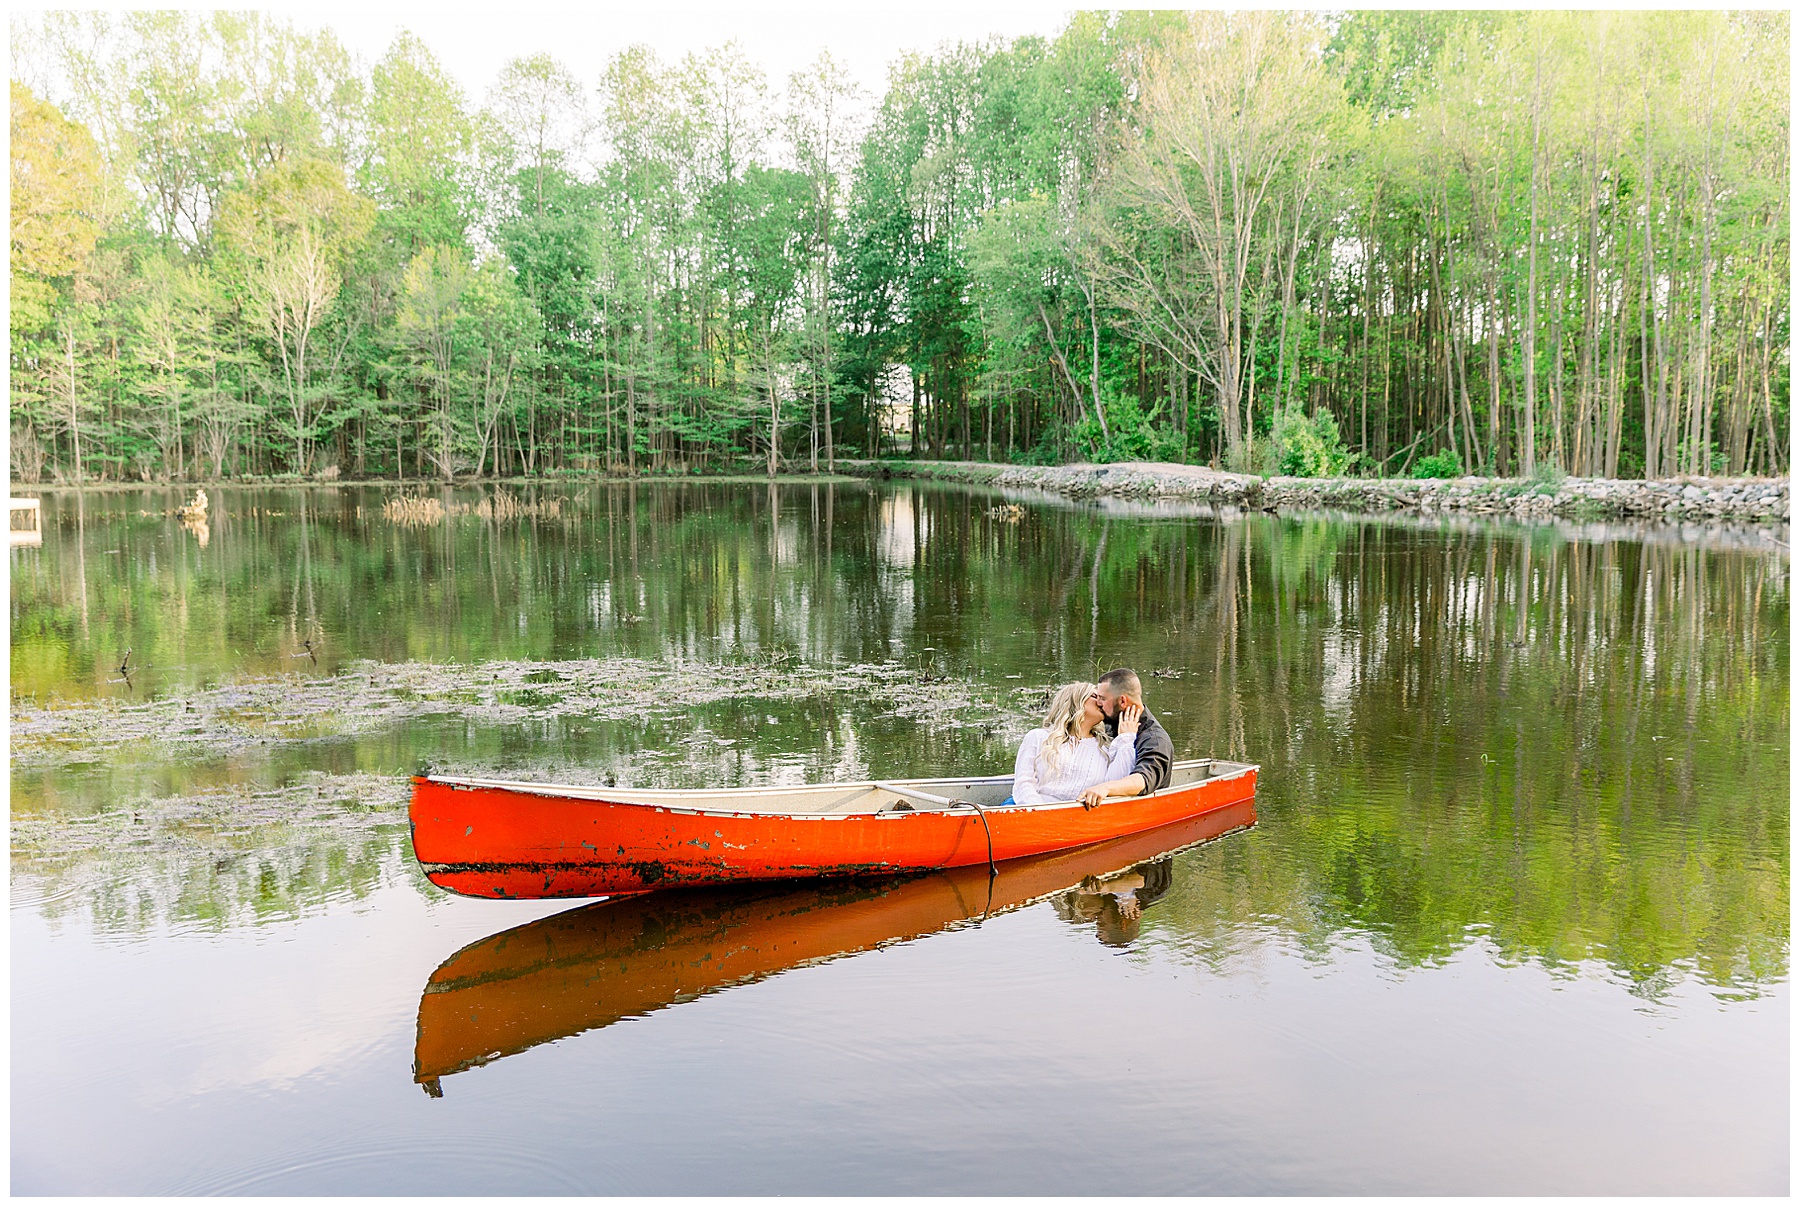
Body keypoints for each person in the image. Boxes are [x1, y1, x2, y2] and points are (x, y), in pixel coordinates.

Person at [1011, 681, 1143, 806]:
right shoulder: (1038, 737)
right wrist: (1039, 812)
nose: (1101, 702)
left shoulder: (1105, 747)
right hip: (1035, 813)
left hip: (1081, 817)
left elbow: (1117, 785)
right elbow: (1023, 783)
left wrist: (1127, 739)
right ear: (1076, 701)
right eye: (1096, 696)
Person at [1077, 668, 1174, 808]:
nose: (1099, 703)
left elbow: (1143, 780)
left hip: (1142, 812)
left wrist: (1106, 788)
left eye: (1103, 699)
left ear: (1122, 701)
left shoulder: (1155, 739)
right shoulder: (1111, 725)